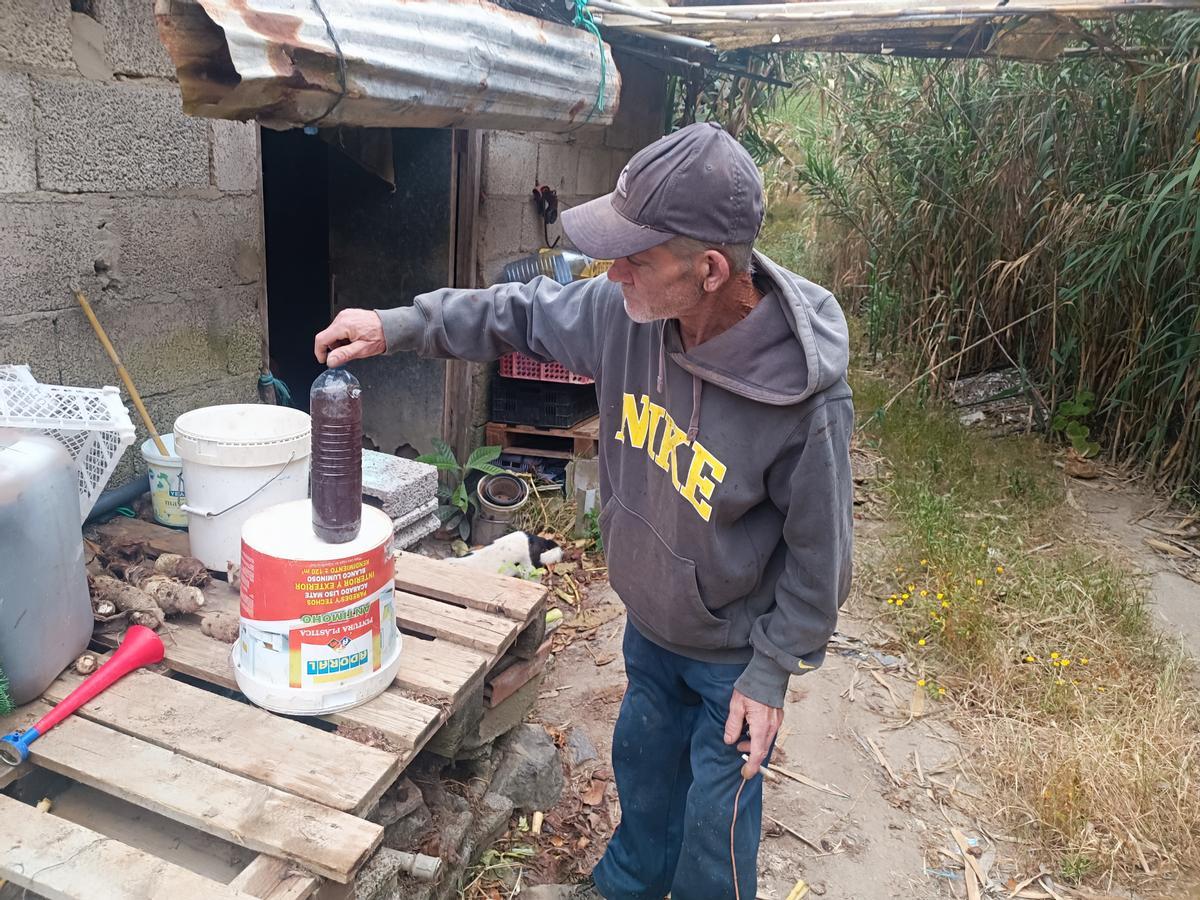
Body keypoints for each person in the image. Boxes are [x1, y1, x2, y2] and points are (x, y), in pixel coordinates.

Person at [315, 121, 854, 900]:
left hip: (734, 650)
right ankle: (629, 884)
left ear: (707, 268)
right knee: (642, 771)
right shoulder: (622, 313)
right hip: (651, 624)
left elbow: (820, 561)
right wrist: (396, 325)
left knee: (716, 824)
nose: (612, 270)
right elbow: (517, 312)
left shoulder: (802, 398)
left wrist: (770, 673)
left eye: (634, 256)